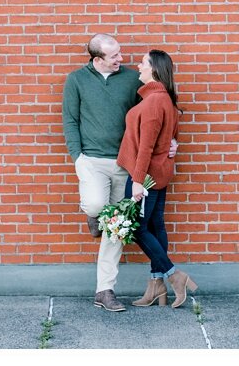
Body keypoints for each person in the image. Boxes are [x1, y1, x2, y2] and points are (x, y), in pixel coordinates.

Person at [63, 33, 142, 312]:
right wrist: (78, 158)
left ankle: (104, 290)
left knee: (116, 230)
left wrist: (172, 138)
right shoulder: (77, 80)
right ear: (97, 59)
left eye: (120, 53)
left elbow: (157, 107)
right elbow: (70, 120)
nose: (122, 58)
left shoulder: (132, 80)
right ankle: (92, 214)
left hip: (124, 164)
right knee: (96, 204)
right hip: (92, 161)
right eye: (115, 55)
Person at [117, 49, 198, 308]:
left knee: (137, 227)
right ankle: (156, 285)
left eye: (142, 63)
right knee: (155, 226)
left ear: (153, 69)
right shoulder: (166, 100)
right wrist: (174, 145)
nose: (138, 66)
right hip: (159, 174)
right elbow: (171, 138)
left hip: (147, 176)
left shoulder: (153, 102)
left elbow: (146, 147)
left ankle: (175, 276)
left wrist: (138, 180)